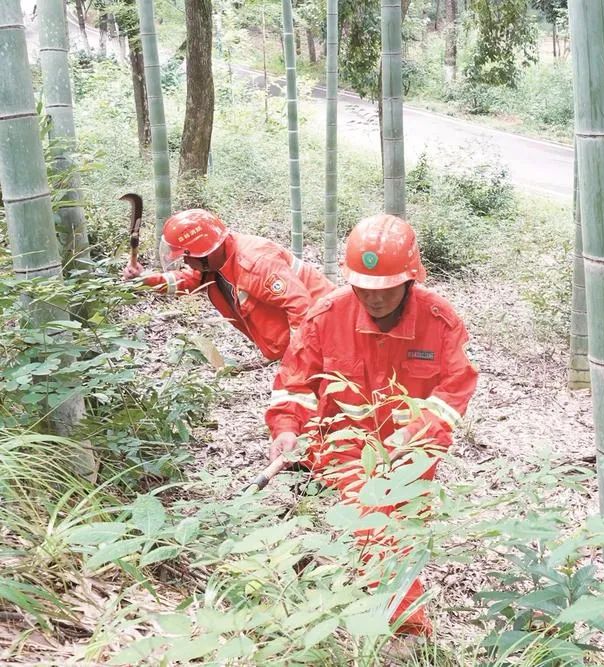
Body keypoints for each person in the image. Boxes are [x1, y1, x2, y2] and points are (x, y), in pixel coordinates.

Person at [265, 213, 478, 635]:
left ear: (411, 279)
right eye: (362, 286)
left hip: (413, 448)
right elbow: (295, 382)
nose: (372, 297)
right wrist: (287, 427)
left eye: (383, 288)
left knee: (404, 526)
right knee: (374, 522)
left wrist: (415, 434)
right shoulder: (326, 315)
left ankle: (381, 600)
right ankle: (408, 628)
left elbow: (454, 390)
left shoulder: (439, 321)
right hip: (347, 445)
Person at [122, 209, 334, 361]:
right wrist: (145, 280)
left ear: (205, 253)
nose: (186, 262)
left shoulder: (255, 263)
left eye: (187, 256)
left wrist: (299, 360)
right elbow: (188, 280)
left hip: (327, 334)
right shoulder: (214, 264)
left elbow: (300, 306)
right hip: (302, 342)